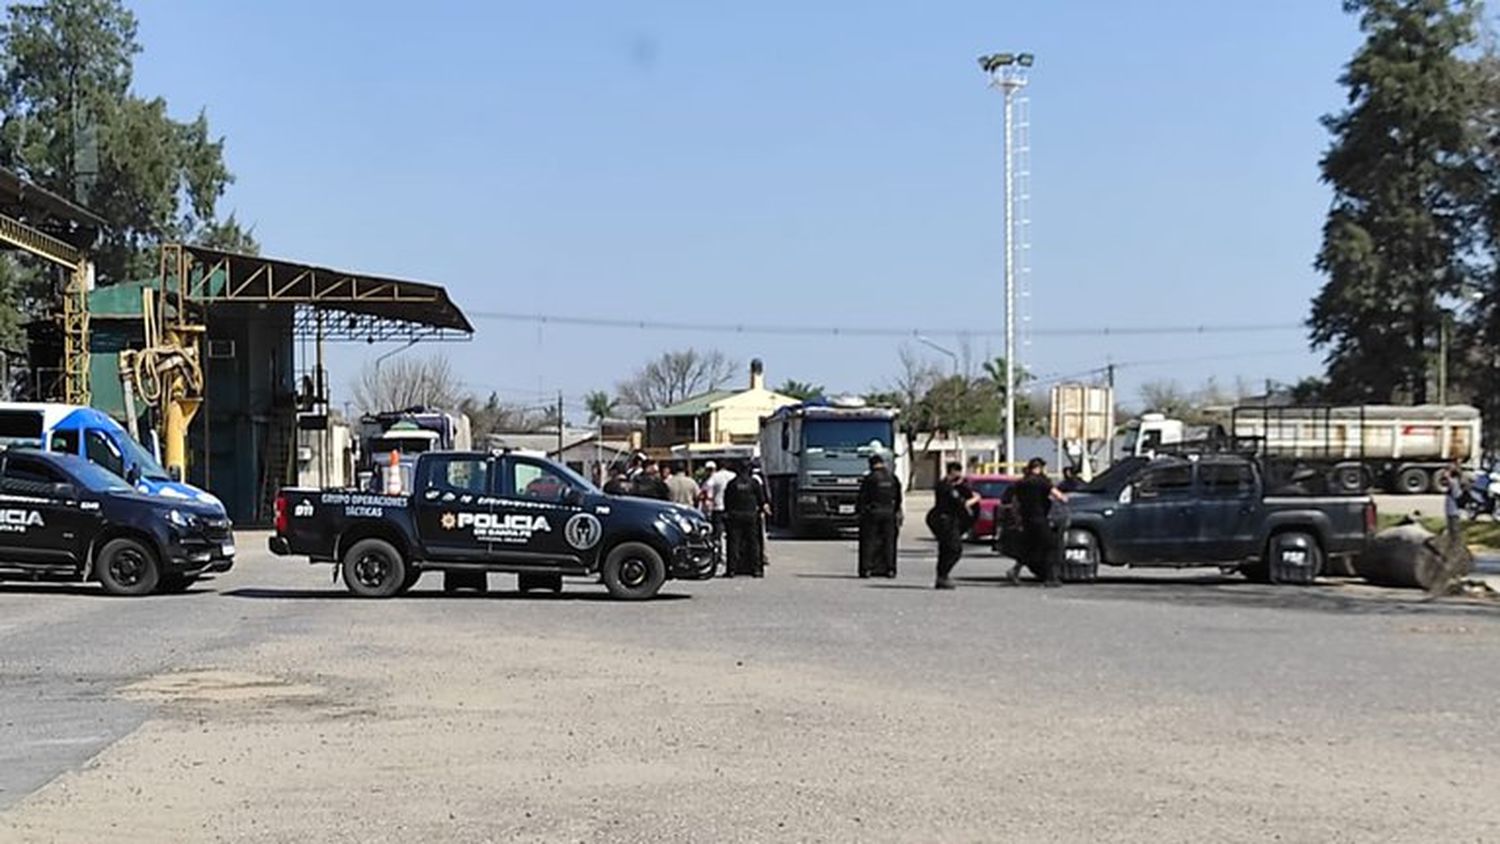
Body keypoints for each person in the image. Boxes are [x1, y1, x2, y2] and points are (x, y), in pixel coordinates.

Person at [1009, 458, 1069, 587]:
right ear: (1039, 468)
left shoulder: (1021, 483)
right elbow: (1059, 496)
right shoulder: (1042, 482)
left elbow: (1015, 504)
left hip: (1026, 520)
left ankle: (1015, 571)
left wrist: (1018, 519)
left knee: (1030, 548)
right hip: (1040, 519)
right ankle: (1050, 578)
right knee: (1051, 546)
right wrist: (1065, 498)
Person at [927, 462, 979, 590]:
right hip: (946, 521)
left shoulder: (948, 485)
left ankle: (942, 577)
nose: (960, 475)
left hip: (947, 520)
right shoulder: (945, 486)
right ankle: (943, 575)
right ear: (952, 471)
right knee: (954, 549)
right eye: (958, 472)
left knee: (945, 549)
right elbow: (960, 503)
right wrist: (976, 499)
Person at [857, 454, 902, 578]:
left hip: (872, 513)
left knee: (869, 541)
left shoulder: (870, 478)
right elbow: (898, 498)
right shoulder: (893, 478)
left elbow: (863, 497)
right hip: (889, 512)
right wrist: (896, 511)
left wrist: (860, 511)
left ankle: (866, 569)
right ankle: (890, 569)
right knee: (889, 542)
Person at [723, 462, 770, 577]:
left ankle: (731, 569)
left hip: (735, 516)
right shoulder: (754, 483)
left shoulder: (732, 484)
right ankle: (756, 569)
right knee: (754, 543)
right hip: (751, 516)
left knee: (733, 543)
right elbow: (761, 499)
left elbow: (727, 501)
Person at [700, 460, 737, 572]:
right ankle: (732, 556)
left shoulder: (714, 478)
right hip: (731, 508)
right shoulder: (733, 476)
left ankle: (720, 555)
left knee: (718, 534)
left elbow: (707, 492)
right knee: (732, 534)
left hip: (718, 508)